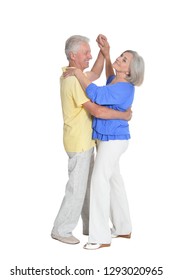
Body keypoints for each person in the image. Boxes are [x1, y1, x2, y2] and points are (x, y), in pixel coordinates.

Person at [64, 36, 145, 249]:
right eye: (121, 55)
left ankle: (100, 237)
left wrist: (78, 72)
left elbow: (98, 96)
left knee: (99, 181)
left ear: (129, 71)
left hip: (113, 142)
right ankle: (123, 227)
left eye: (124, 60)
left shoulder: (123, 88)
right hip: (108, 140)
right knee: (114, 181)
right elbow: (108, 75)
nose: (119, 58)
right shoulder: (116, 81)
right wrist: (107, 54)